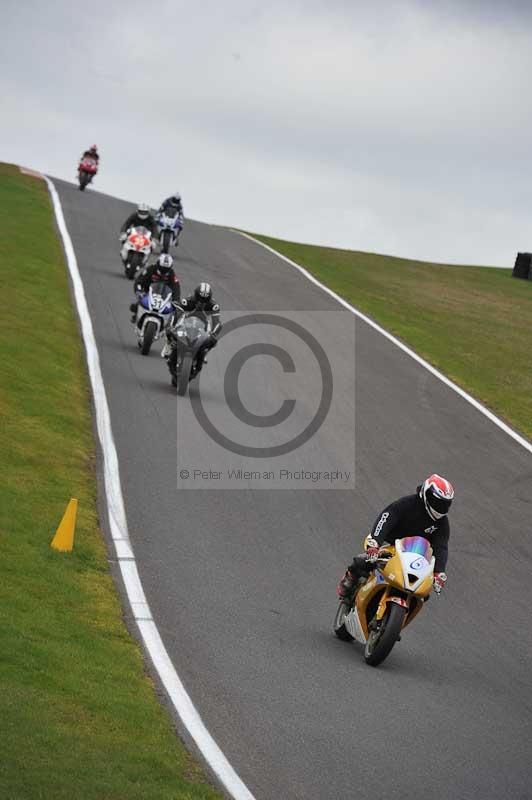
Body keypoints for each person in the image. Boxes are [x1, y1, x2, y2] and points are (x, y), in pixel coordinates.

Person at [337, 474, 454, 601]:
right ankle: (351, 577)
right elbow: (386, 518)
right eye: (437, 502)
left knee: (423, 594)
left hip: (414, 555)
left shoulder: (442, 523)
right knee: (366, 561)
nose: (440, 507)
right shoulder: (408, 504)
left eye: (444, 504)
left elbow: (441, 546)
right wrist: (375, 543)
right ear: (426, 494)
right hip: (387, 544)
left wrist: (439, 573)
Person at [162, 283, 221, 378]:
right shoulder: (187, 301)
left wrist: (213, 335)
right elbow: (176, 315)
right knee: (170, 333)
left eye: (205, 300)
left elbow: (217, 322)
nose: (201, 302)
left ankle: (203, 354)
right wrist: (170, 327)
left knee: (212, 342)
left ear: (209, 299)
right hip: (186, 324)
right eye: (199, 298)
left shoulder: (213, 306)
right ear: (195, 295)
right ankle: (168, 346)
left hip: (203, 327)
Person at [129, 253, 181, 322]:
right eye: (162, 268)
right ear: (158, 264)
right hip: (148, 292)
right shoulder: (151, 268)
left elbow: (176, 286)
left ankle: (169, 324)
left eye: (166, 269)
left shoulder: (171, 273)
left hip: (164, 296)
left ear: (170, 267)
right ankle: (137, 315)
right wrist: (139, 291)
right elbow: (139, 280)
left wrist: (176, 300)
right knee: (135, 306)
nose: (164, 270)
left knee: (175, 312)